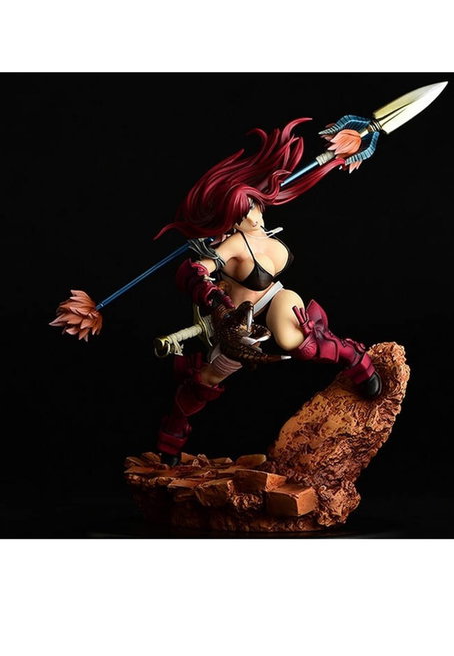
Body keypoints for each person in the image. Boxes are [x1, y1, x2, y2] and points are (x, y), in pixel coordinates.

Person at [153, 118, 382, 466]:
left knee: (298, 341)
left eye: (255, 205)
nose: (254, 216)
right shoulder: (232, 244)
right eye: (244, 212)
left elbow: (300, 180)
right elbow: (194, 271)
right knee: (207, 379)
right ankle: (171, 437)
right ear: (231, 217)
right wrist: (217, 304)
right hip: (238, 325)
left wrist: (337, 157)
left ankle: (355, 359)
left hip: (275, 297)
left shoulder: (262, 229)